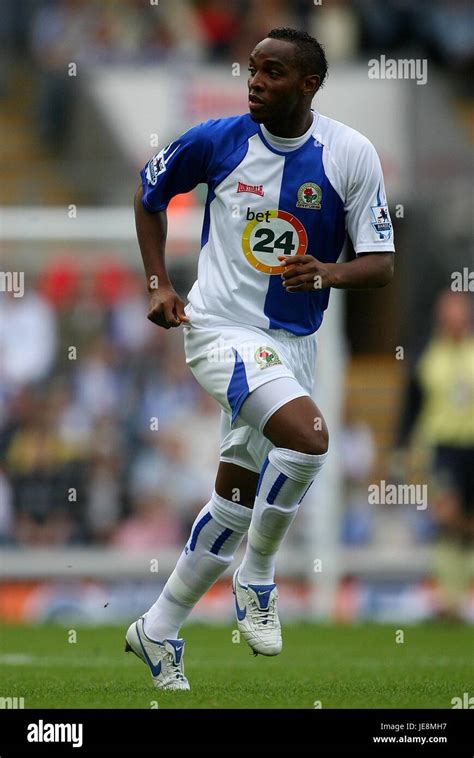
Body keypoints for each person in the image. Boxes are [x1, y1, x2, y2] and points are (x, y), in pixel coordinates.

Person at [126, 27, 395, 690]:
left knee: (234, 502)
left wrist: (328, 273)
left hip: (294, 348)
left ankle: (157, 630)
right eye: (252, 69)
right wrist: (159, 281)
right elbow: (149, 195)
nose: (255, 81)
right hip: (220, 330)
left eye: (273, 73)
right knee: (309, 442)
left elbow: (382, 265)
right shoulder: (217, 140)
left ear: (309, 85)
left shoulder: (349, 156)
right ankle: (259, 576)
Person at [395, 290, 474, 619]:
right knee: (447, 514)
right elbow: (411, 406)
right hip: (441, 447)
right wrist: (401, 449)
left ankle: (459, 594)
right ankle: (449, 597)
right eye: (449, 314)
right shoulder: (426, 355)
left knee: (467, 522)